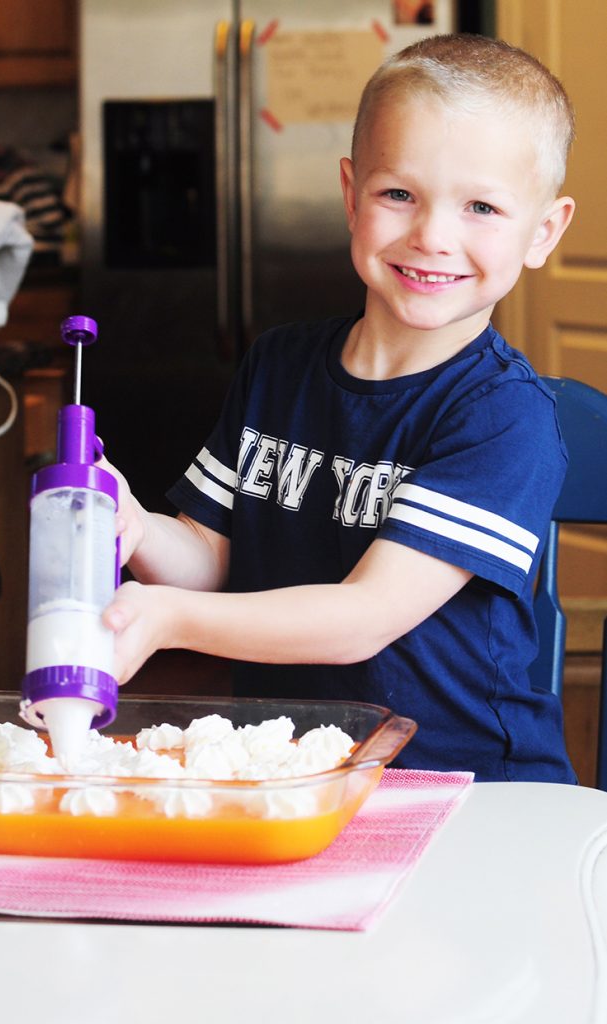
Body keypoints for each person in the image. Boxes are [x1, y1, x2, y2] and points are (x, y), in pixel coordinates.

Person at [101, 33, 578, 783]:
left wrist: (164, 621)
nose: (431, 236)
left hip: (466, 788)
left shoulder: (501, 417)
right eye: (398, 194)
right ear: (350, 192)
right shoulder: (278, 365)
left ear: (541, 233)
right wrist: (127, 521)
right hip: (295, 771)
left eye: (481, 206)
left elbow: (363, 619)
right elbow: (206, 560)